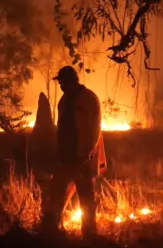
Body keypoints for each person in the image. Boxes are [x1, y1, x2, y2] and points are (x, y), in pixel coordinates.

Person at [41, 65, 106, 240]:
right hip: (64, 156)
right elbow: (61, 128)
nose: (61, 85)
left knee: (85, 196)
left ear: (72, 81)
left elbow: (95, 128)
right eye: (60, 82)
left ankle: (89, 233)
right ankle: (52, 229)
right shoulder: (63, 101)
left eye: (63, 82)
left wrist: (86, 152)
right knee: (57, 193)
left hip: (82, 156)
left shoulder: (89, 99)